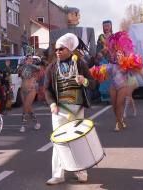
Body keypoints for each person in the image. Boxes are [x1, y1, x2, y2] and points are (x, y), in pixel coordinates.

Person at [44, 33, 95, 185]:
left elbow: (93, 83)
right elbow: (46, 89)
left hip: (77, 109)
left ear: (70, 50)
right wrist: (52, 104)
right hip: (59, 110)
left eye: (61, 49)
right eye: (56, 50)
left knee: (78, 140)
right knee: (58, 142)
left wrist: (84, 80)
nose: (58, 52)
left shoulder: (80, 64)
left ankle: (81, 171)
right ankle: (58, 174)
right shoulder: (51, 67)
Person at [18, 55, 41, 132]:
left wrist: (30, 64)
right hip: (22, 90)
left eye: (31, 59)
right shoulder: (22, 67)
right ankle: (37, 122)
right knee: (28, 107)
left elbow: (39, 68)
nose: (29, 60)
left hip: (31, 89)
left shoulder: (33, 67)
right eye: (28, 59)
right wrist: (22, 66)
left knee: (25, 107)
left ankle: (23, 125)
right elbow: (18, 73)